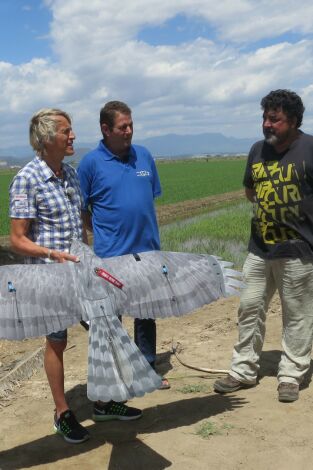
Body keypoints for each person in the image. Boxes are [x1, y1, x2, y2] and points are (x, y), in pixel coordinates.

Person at [214, 89, 313, 403]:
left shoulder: (310, 148)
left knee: (297, 314)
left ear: (293, 121)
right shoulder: (257, 150)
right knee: (249, 307)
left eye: (275, 119)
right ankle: (243, 369)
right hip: (259, 248)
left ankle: (291, 374)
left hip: (298, 250)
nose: (267, 124)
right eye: (265, 118)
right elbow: (249, 191)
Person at [78, 100, 170, 412]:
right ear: (105, 129)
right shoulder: (90, 164)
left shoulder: (143, 155)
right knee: (111, 321)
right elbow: (82, 211)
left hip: (147, 253)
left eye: (131, 125)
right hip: (111, 258)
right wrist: (104, 234)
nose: (129, 131)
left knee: (146, 312)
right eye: (122, 127)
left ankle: (147, 367)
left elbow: (148, 200)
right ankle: (117, 378)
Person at [9, 108, 90, 443]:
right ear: (46, 139)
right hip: (50, 276)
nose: (72, 136)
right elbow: (16, 239)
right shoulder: (27, 179)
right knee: (57, 340)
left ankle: (105, 400)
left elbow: (79, 225)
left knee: (105, 326)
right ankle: (62, 412)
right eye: (66, 131)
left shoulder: (69, 174)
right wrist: (51, 254)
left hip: (81, 271)